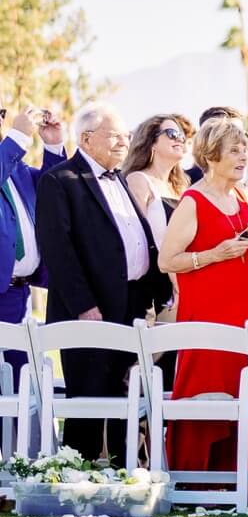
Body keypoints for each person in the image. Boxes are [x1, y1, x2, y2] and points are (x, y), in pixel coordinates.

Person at [37, 105, 172, 460]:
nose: (124, 143)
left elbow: (139, 240)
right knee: (90, 394)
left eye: (127, 136)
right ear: (86, 139)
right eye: (115, 136)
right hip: (91, 309)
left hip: (134, 302)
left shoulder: (122, 179)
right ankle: (78, 474)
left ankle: (127, 470)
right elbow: (58, 249)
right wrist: (84, 305)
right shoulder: (59, 180)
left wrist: (160, 295)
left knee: (129, 393)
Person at [156, 119, 248, 474]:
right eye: (234, 151)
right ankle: (196, 475)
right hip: (206, 314)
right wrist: (214, 254)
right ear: (211, 156)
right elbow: (167, 260)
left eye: (244, 150)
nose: (242, 158)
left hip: (247, 309)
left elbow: (247, 258)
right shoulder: (193, 201)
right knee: (209, 392)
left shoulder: (244, 196)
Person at [0, 107, 68, 382]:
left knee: (24, 381)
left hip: (19, 292)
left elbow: (50, 191)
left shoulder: (15, 167)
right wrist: (17, 136)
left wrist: (53, 146)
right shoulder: (9, 155)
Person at [121, 114, 193, 251]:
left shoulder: (182, 187)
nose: (179, 138)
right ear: (151, 142)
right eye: (171, 133)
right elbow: (135, 236)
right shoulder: (139, 180)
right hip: (154, 269)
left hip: (183, 268)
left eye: (181, 135)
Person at [182, 105, 240, 184]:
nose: (241, 140)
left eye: (243, 134)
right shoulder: (182, 183)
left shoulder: (240, 189)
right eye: (231, 132)